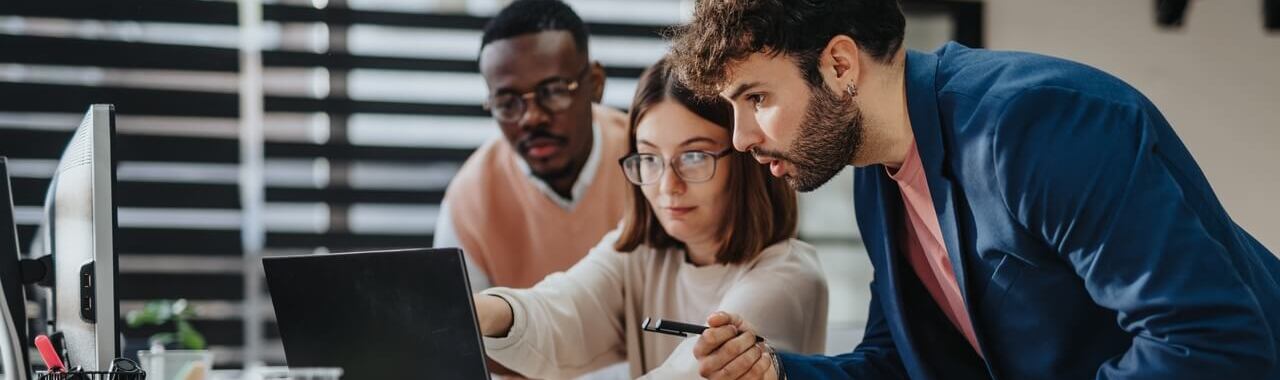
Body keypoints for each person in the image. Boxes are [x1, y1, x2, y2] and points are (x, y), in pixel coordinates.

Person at [665, 1, 1280, 379]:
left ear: (840, 66)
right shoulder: (876, 181)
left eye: (757, 98)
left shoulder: (1030, 126)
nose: (741, 138)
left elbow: (1207, 346)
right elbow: (899, 363)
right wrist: (775, 374)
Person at [469, 57, 828, 379]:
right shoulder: (640, 255)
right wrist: (482, 310)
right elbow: (564, 308)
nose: (668, 186)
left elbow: (690, 373)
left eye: (693, 157)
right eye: (649, 158)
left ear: (746, 158)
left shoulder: (788, 276)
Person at [434, 0, 630, 291]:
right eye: (507, 103)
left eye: (552, 91)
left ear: (595, 83)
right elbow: (459, 328)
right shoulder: (470, 201)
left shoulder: (651, 161)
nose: (531, 118)